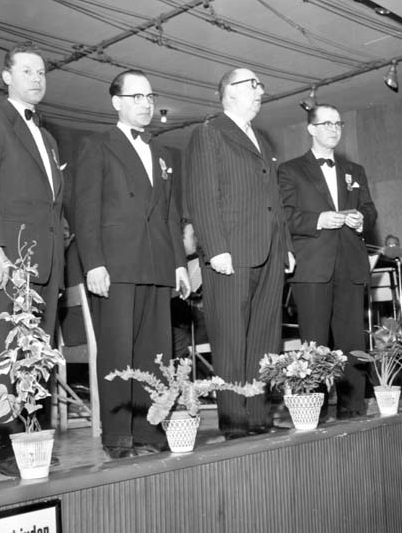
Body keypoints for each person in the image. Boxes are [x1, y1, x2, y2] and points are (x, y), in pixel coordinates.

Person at [74, 69, 190, 459]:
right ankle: (118, 435)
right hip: (116, 265)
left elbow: (170, 214)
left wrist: (178, 264)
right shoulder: (97, 145)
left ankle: (148, 430)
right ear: (116, 102)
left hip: (157, 263)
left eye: (150, 97)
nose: (145, 104)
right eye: (136, 97)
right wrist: (94, 263)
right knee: (117, 351)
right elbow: (85, 209)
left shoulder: (164, 154)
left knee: (155, 353)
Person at [0, 41, 65, 475]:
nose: (36, 79)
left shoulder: (48, 137)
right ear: (6, 77)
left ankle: (32, 443)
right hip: (8, 259)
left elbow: (52, 205)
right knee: (4, 356)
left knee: (36, 358)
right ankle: (1, 450)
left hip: (47, 264)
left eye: (41, 73)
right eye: (27, 71)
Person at [185, 67, 295, 440]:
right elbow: (202, 195)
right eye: (253, 85)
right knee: (231, 341)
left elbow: (273, 199)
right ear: (229, 91)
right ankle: (234, 422)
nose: (261, 91)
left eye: (261, 85)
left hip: (269, 250)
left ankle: (258, 416)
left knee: (265, 338)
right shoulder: (209, 132)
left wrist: (286, 246)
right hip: (230, 252)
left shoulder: (261, 139)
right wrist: (215, 248)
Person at [278, 103, 377, 419]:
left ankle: (353, 408)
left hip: (350, 265)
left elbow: (370, 209)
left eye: (338, 124)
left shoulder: (355, 171)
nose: (334, 129)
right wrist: (319, 219)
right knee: (314, 343)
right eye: (327, 124)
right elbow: (284, 216)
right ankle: (314, 412)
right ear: (311, 129)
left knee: (352, 341)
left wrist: (361, 220)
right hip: (312, 268)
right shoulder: (290, 170)